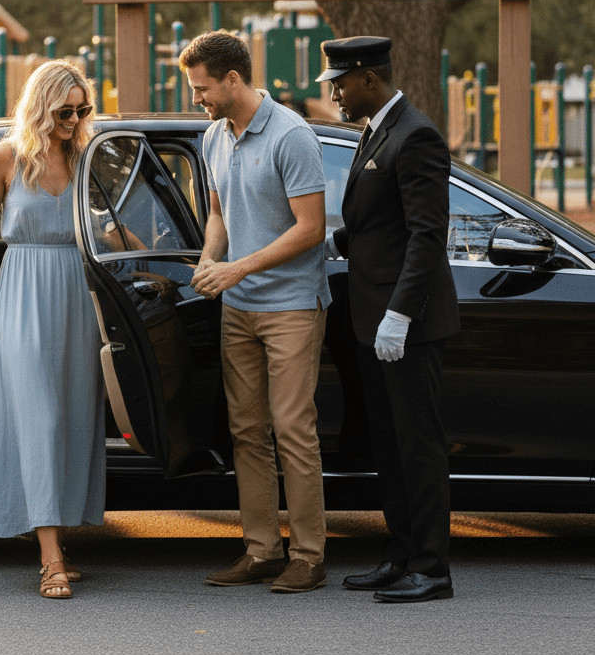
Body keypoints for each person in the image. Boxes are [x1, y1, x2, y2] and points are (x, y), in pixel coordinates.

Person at [0, 60, 105, 600]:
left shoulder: (84, 155)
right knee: (39, 417)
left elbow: (102, 226)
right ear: (41, 105)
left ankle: (58, 532)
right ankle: (50, 558)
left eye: (82, 110)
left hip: (77, 295)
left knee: (73, 417)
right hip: (25, 292)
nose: (75, 118)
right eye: (65, 110)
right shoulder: (6, 157)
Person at [181, 30, 331, 594]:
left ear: (234, 79)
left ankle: (310, 556)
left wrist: (238, 269)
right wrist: (209, 261)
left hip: (291, 304)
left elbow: (311, 231)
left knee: (294, 429)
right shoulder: (214, 136)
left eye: (203, 89)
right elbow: (218, 211)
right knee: (246, 430)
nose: (198, 99)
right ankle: (263, 550)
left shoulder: (291, 135)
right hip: (237, 307)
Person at [317, 36, 460, 603]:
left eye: (339, 83)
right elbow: (381, 225)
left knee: (418, 446)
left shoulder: (415, 135)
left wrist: (400, 315)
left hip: (409, 325)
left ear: (368, 78)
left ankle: (432, 568)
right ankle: (400, 556)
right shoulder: (376, 129)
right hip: (371, 320)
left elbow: (427, 236)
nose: (334, 94)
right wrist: (331, 240)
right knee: (389, 446)